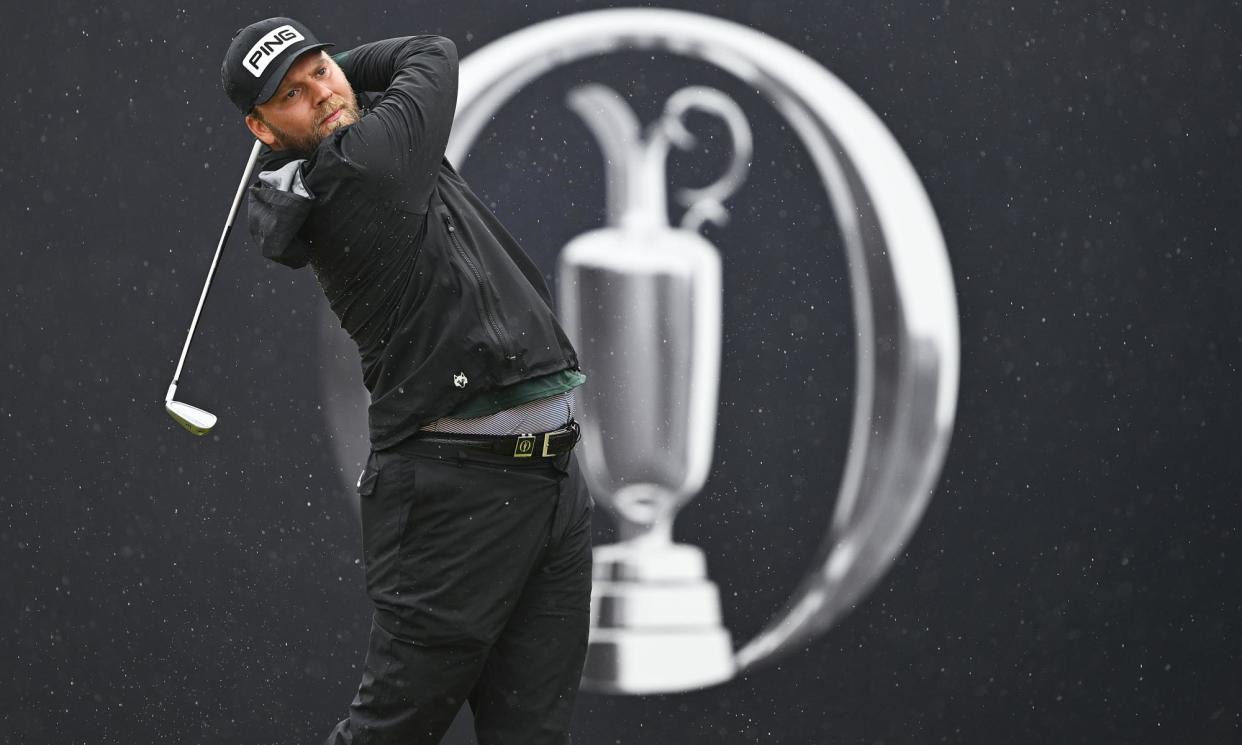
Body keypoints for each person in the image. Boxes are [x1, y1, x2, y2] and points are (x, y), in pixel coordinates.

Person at [220, 17, 593, 745]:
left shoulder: (370, 145)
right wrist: (346, 69)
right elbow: (432, 52)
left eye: (320, 70)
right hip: (455, 500)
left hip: (550, 486)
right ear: (262, 127)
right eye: (291, 96)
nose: (322, 94)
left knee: (532, 732)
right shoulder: (365, 163)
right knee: (388, 732)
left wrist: (327, 79)